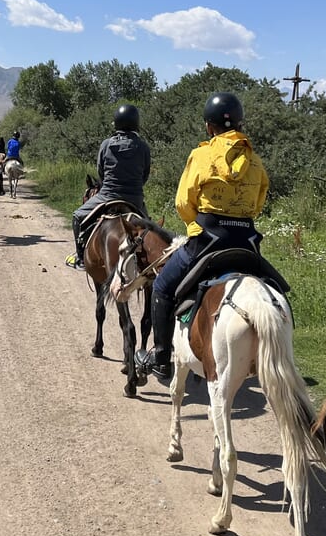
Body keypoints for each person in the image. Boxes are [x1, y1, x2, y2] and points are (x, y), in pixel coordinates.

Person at [136, 92, 268, 381]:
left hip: (207, 240)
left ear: (209, 127)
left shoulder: (201, 155)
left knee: (161, 288)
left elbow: (184, 202)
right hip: (246, 242)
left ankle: (160, 358)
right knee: (276, 290)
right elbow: (258, 204)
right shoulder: (255, 161)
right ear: (240, 123)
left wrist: (195, 227)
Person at [66, 104, 152, 269]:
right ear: (136, 123)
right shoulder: (143, 147)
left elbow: (101, 173)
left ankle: (80, 257)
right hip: (135, 199)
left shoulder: (106, 144)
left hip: (107, 195)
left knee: (77, 216)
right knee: (149, 228)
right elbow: (145, 175)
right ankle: (148, 262)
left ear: (116, 123)